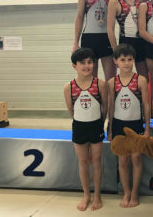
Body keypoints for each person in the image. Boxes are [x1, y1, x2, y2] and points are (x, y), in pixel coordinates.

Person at [63, 48, 108, 211]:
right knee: (83, 161)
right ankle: (86, 194)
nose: (87, 66)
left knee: (96, 161)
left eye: (90, 62)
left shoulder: (100, 84)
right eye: (82, 63)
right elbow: (72, 111)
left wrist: (100, 123)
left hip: (96, 125)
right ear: (74, 66)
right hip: (79, 126)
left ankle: (97, 194)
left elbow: (105, 108)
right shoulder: (68, 87)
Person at [107, 43, 150, 208]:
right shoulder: (112, 82)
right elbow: (111, 107)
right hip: (118, 124)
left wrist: (146, 127)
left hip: (136, 124)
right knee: (123, 161)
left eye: (129, 59)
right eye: (122, 60)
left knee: (136, 158)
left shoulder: (140, 80)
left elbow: (146, 105)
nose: (126, 63)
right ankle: (126, 192)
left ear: (134, 60)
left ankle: (134, 192)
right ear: (115, 61)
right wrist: (110, 129)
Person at [73, 0, 118, 81]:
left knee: (111, 81)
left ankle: (109, 102)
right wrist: (76, 42)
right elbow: (80, 17)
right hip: (89, 39)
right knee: (90, 81)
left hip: (107, 39)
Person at [107, 0, 147, 78]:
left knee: (144, 77)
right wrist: (116, 51)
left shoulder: (138, 1)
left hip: (140, 41)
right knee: (125, 76)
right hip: (125, 42)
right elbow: (110, 29)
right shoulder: (114, 2)